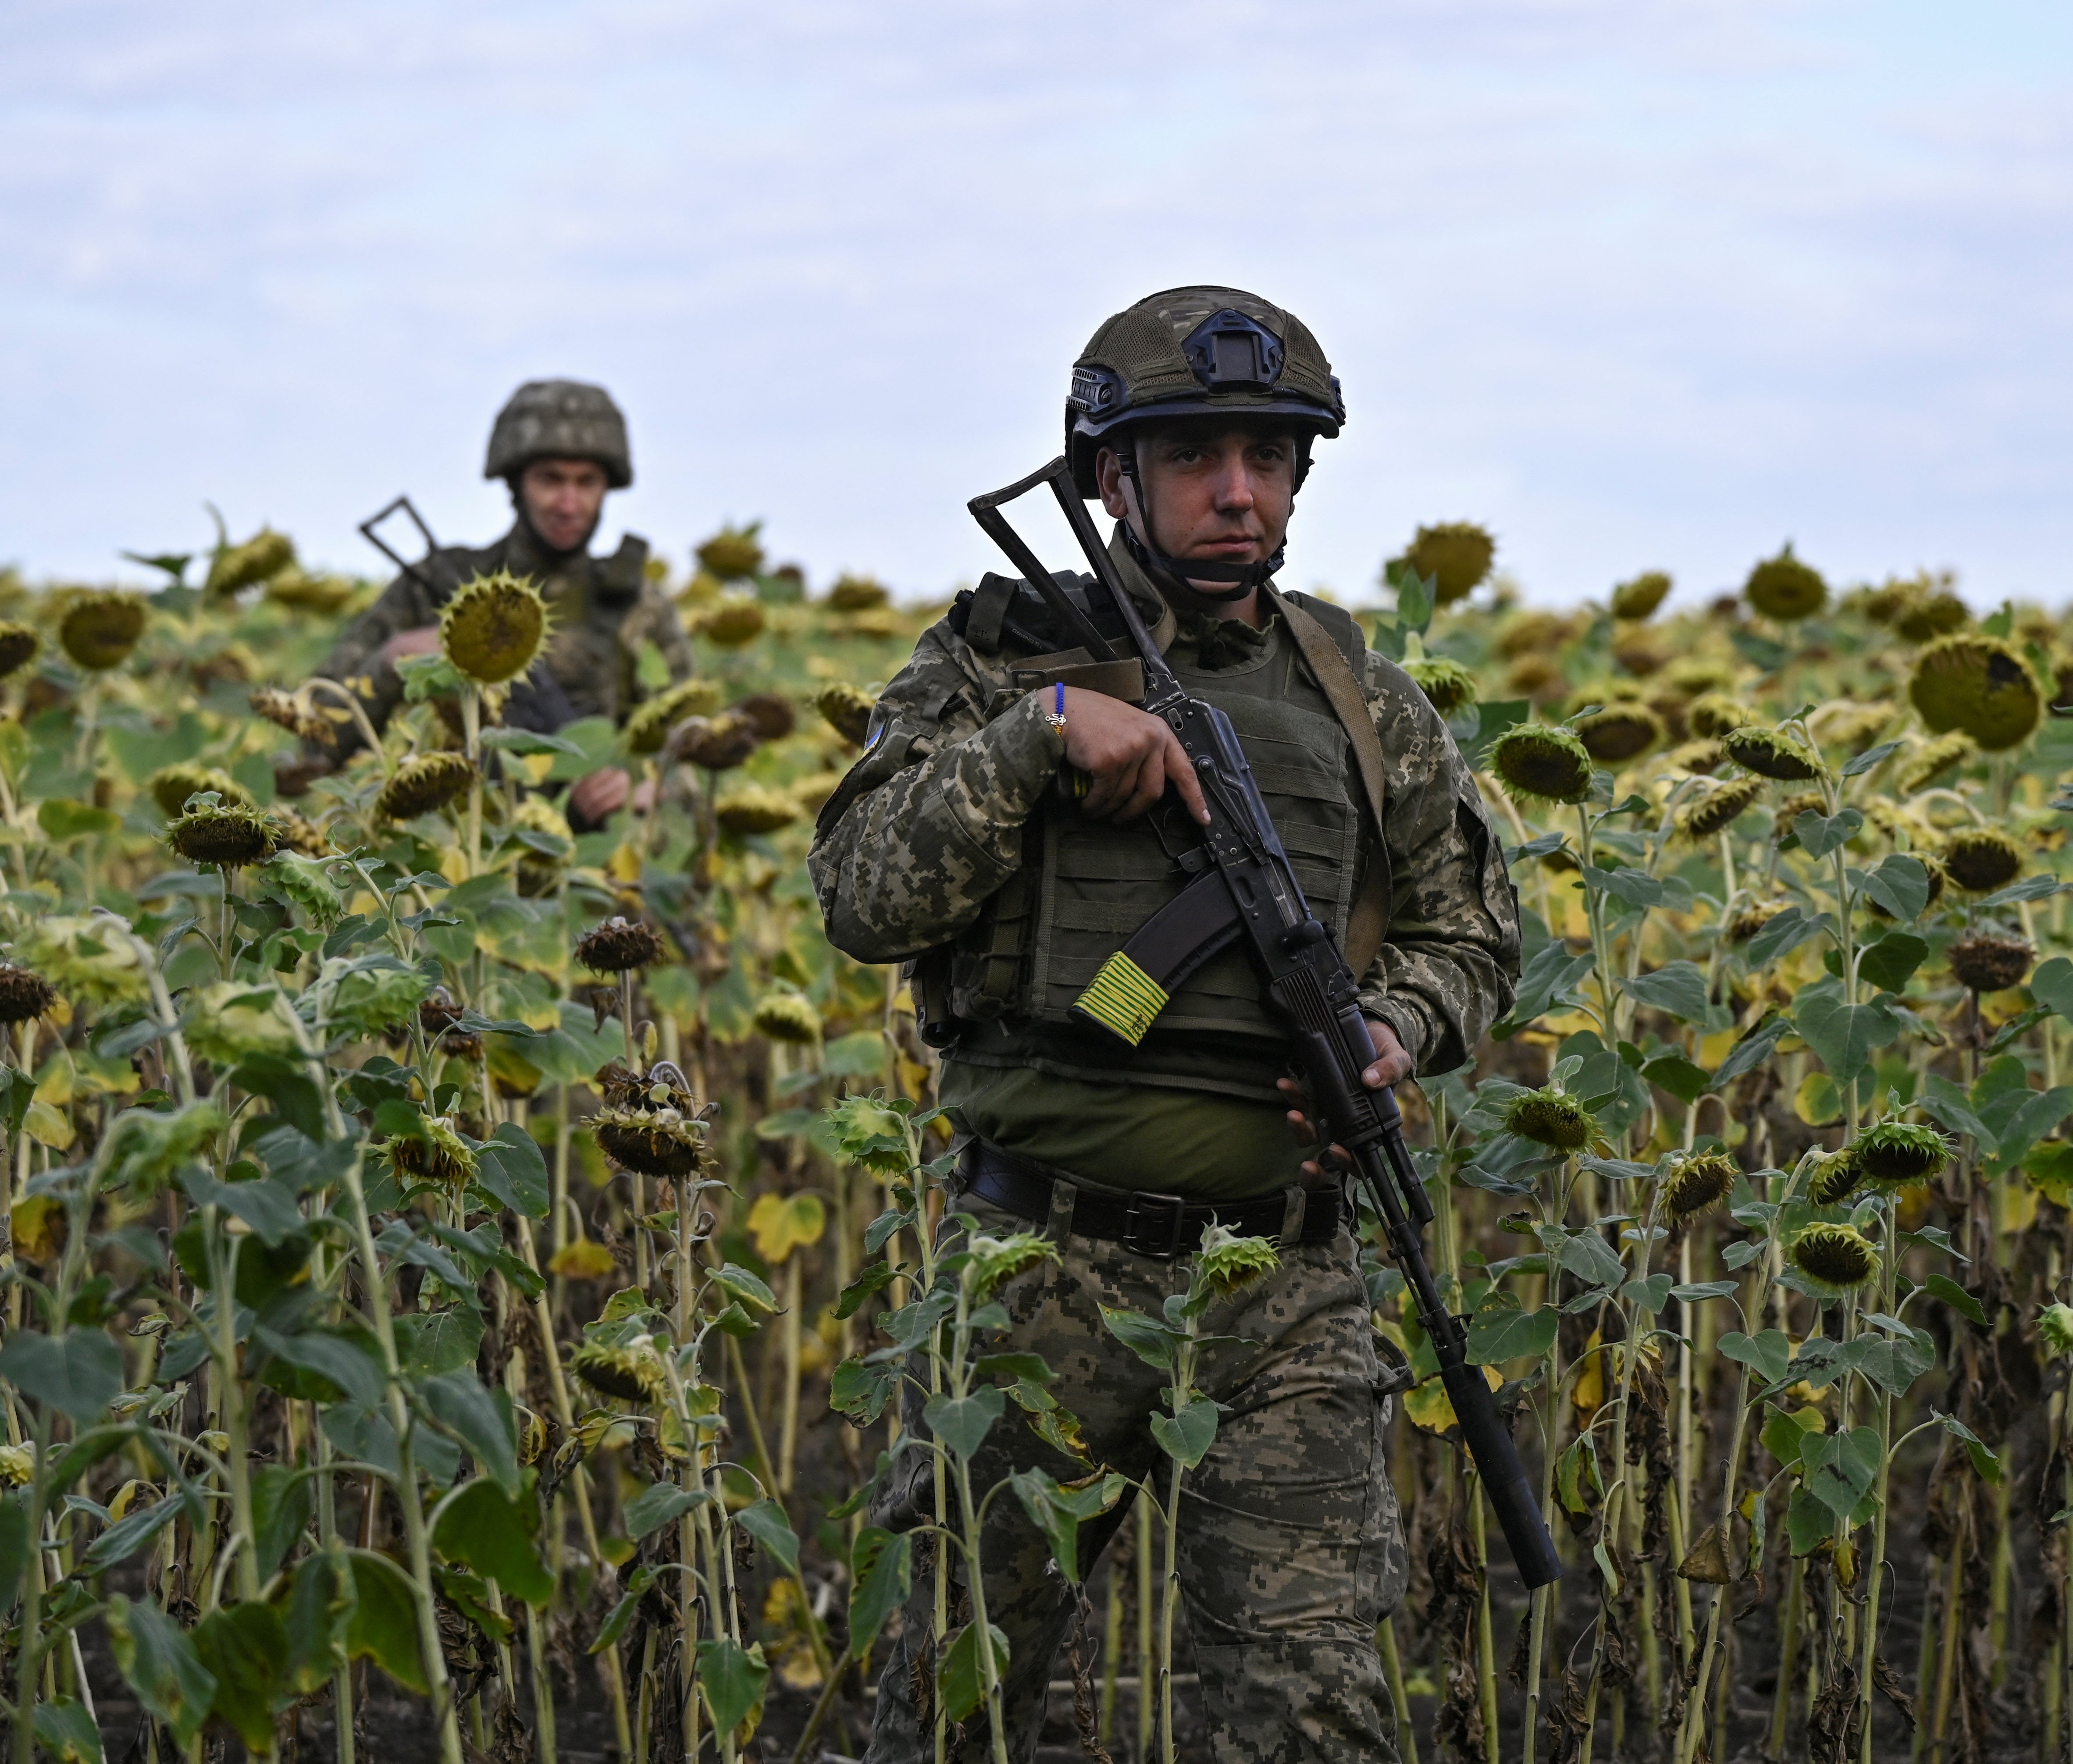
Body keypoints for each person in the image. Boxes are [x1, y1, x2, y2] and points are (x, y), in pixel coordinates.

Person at [808, 287, 1520, 1762]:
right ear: (1109, 479)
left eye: (1266, 455)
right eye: (1195, 454)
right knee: (950, 1707)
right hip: (1037, 1273)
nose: (1237, 490)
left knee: (1312, 1714)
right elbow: (866, 896)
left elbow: (1470, 931)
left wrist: (1394, 1024)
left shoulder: (1361, 701)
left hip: (1285, 1276)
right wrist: (1037, 738)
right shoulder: (993, 663)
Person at [295, 378, 692, 822]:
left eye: (587, 482)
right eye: (550, 480)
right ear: (515, 483)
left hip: (586, 873)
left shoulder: (640, 608)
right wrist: (392, 660)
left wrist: (650, 785)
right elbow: (311, 745)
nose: (569, 503)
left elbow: (690, 754)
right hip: (446, 863)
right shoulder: (436, 584)